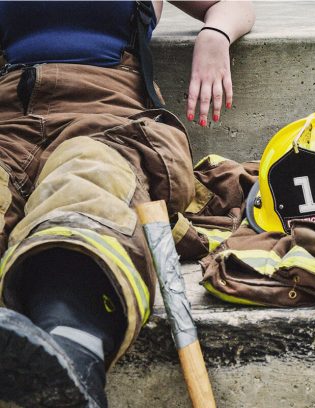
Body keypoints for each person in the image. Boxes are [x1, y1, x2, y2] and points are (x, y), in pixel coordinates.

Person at [0, 1, 255, 407]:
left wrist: (216, 34)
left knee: (89, 180)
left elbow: (231, 3)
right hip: (8, 121)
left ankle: (70, 349)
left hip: (107, 118)